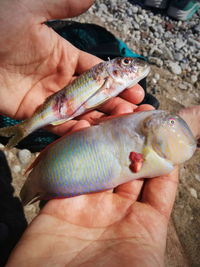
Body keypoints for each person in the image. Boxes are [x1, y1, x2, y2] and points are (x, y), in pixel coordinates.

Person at [0, 0, 184, 266]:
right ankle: (21, 132)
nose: (131, 67)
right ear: (116, 67)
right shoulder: (106, 73)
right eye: (127, 63)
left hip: (69, 107)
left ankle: (20, 136)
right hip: (63, 107)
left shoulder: (112, 79)